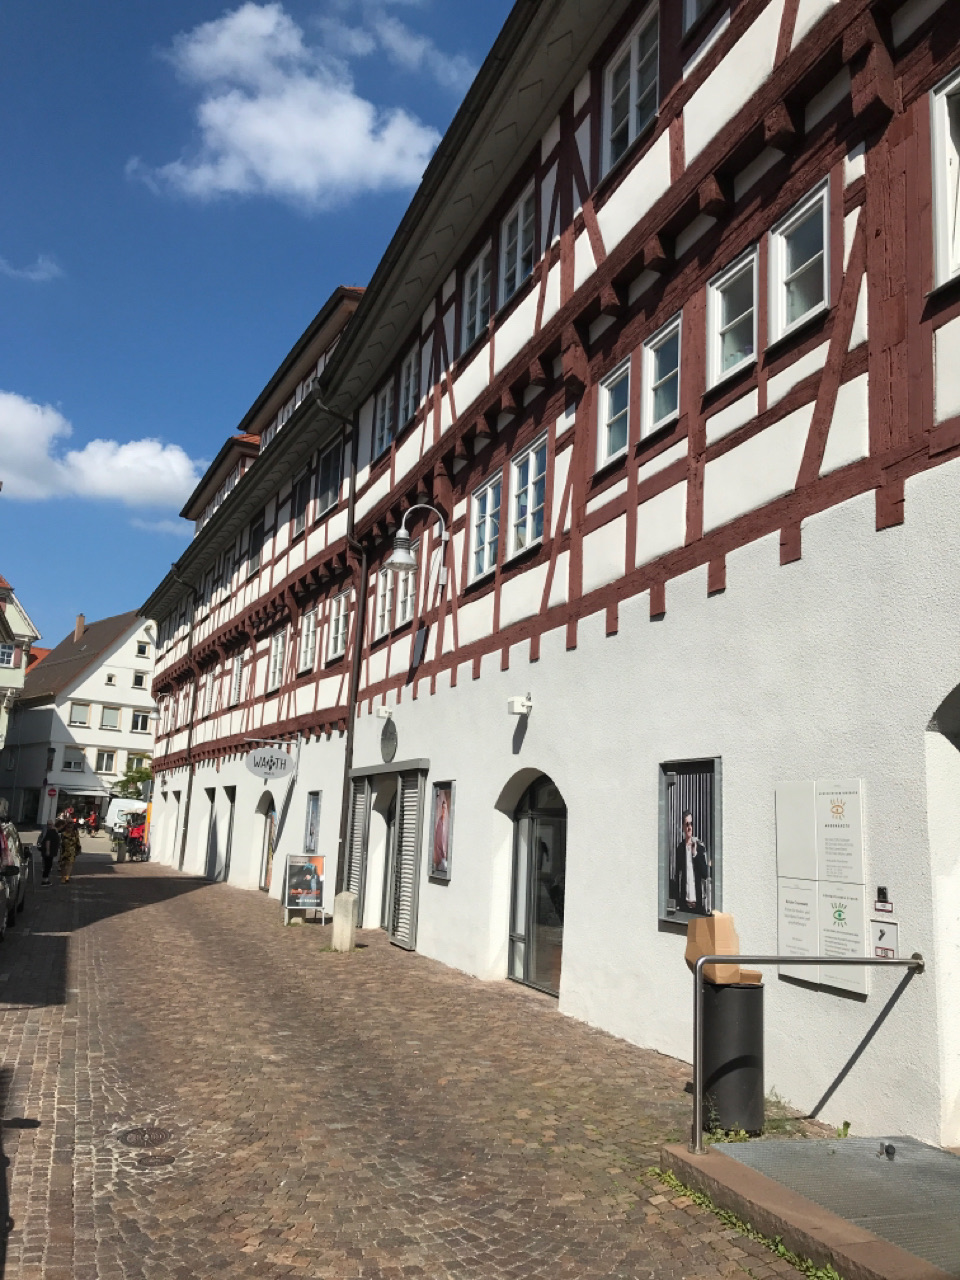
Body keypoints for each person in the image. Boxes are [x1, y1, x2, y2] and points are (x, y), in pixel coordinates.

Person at [672, 810, 711, 915]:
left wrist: (695, 854)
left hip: (698, 905)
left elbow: (705, 873)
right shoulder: (680, 849)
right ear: (683, 827)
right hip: (684, 905)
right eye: (687, 824)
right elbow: (677, 875)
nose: (689, 827)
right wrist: (677, 901)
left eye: (691, 824)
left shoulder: (700, 847)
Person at [37, 822, 61, 886]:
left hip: (51, 851)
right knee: (48, 866)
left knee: (48, 865)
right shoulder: (51, 832)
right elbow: (48, 841)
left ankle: (45, 879)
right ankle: (45, 880)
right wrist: (48, 850)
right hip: (49, 852)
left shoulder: (53, 832)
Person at [58, 819, 81, 884]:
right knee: (63, 865)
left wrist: (78, 849)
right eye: (68, 827)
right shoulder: (63, 834)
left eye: (71, 827)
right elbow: (59, 842)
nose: (69, 828)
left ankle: (67, 877)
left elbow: (77, 841)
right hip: (64, 851)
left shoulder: (75, 834)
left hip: (72, 851)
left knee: (70, 864)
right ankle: (63, 877)